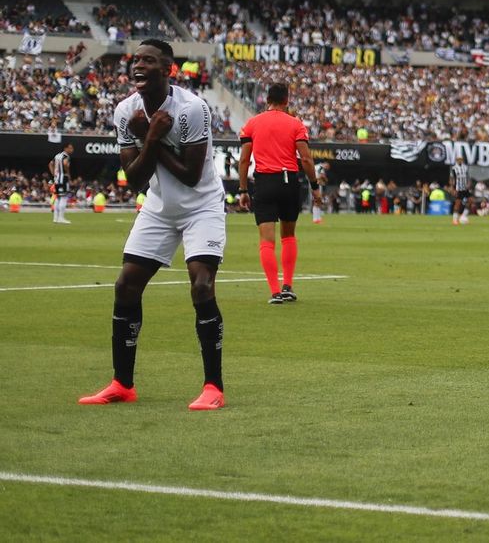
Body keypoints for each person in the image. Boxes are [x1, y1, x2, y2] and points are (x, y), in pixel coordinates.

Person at [80, 38, 226, 410]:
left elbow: (192, 176)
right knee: (125, 285)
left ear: (168, 69)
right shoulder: (126, 111)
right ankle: (122, 384)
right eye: (135, 60)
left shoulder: (193, 108)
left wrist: (152, 137)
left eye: (148, 60)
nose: (137, 66)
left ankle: (213, 387)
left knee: (202, 285)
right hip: (159, 205)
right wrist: (149, 136)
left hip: (201, 206)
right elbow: (135, 176)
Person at [238, 81, 321, 304]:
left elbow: (245, 160)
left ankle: (274, 292)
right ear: (287, 100)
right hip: (288, 181)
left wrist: (243, 189)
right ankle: (288, 286)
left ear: (267, 100)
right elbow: (305, 159)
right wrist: (315, 187)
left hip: (264, 181)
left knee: (266, 241)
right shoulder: (296, 124)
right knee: (288, 236)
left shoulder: (252, 124)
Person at [50, 143, 74, 224]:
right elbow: (65, 164)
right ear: (66, 148)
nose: (72, 150)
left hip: (57, 179)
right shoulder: (66, 156)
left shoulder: (57, 156)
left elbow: (50, 164)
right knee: (63, 198)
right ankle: (61, 218)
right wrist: (68, 173)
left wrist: (54, 174)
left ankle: (55, 218)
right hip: (63, 178)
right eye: (70, 148)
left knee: (58, 198)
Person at [450, 155, 474, 225]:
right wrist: (453, 189)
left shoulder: (465, 167)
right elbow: (451, 179)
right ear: (456, 160)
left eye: (461, 159)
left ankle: (463, 216)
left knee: (470, 201)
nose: (460, 161)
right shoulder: (454, 168)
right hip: (458, 189)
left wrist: (469, 184)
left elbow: (468, 177)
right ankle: (454, 219)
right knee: (457, 204)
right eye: (458, 159)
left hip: (465, 188)